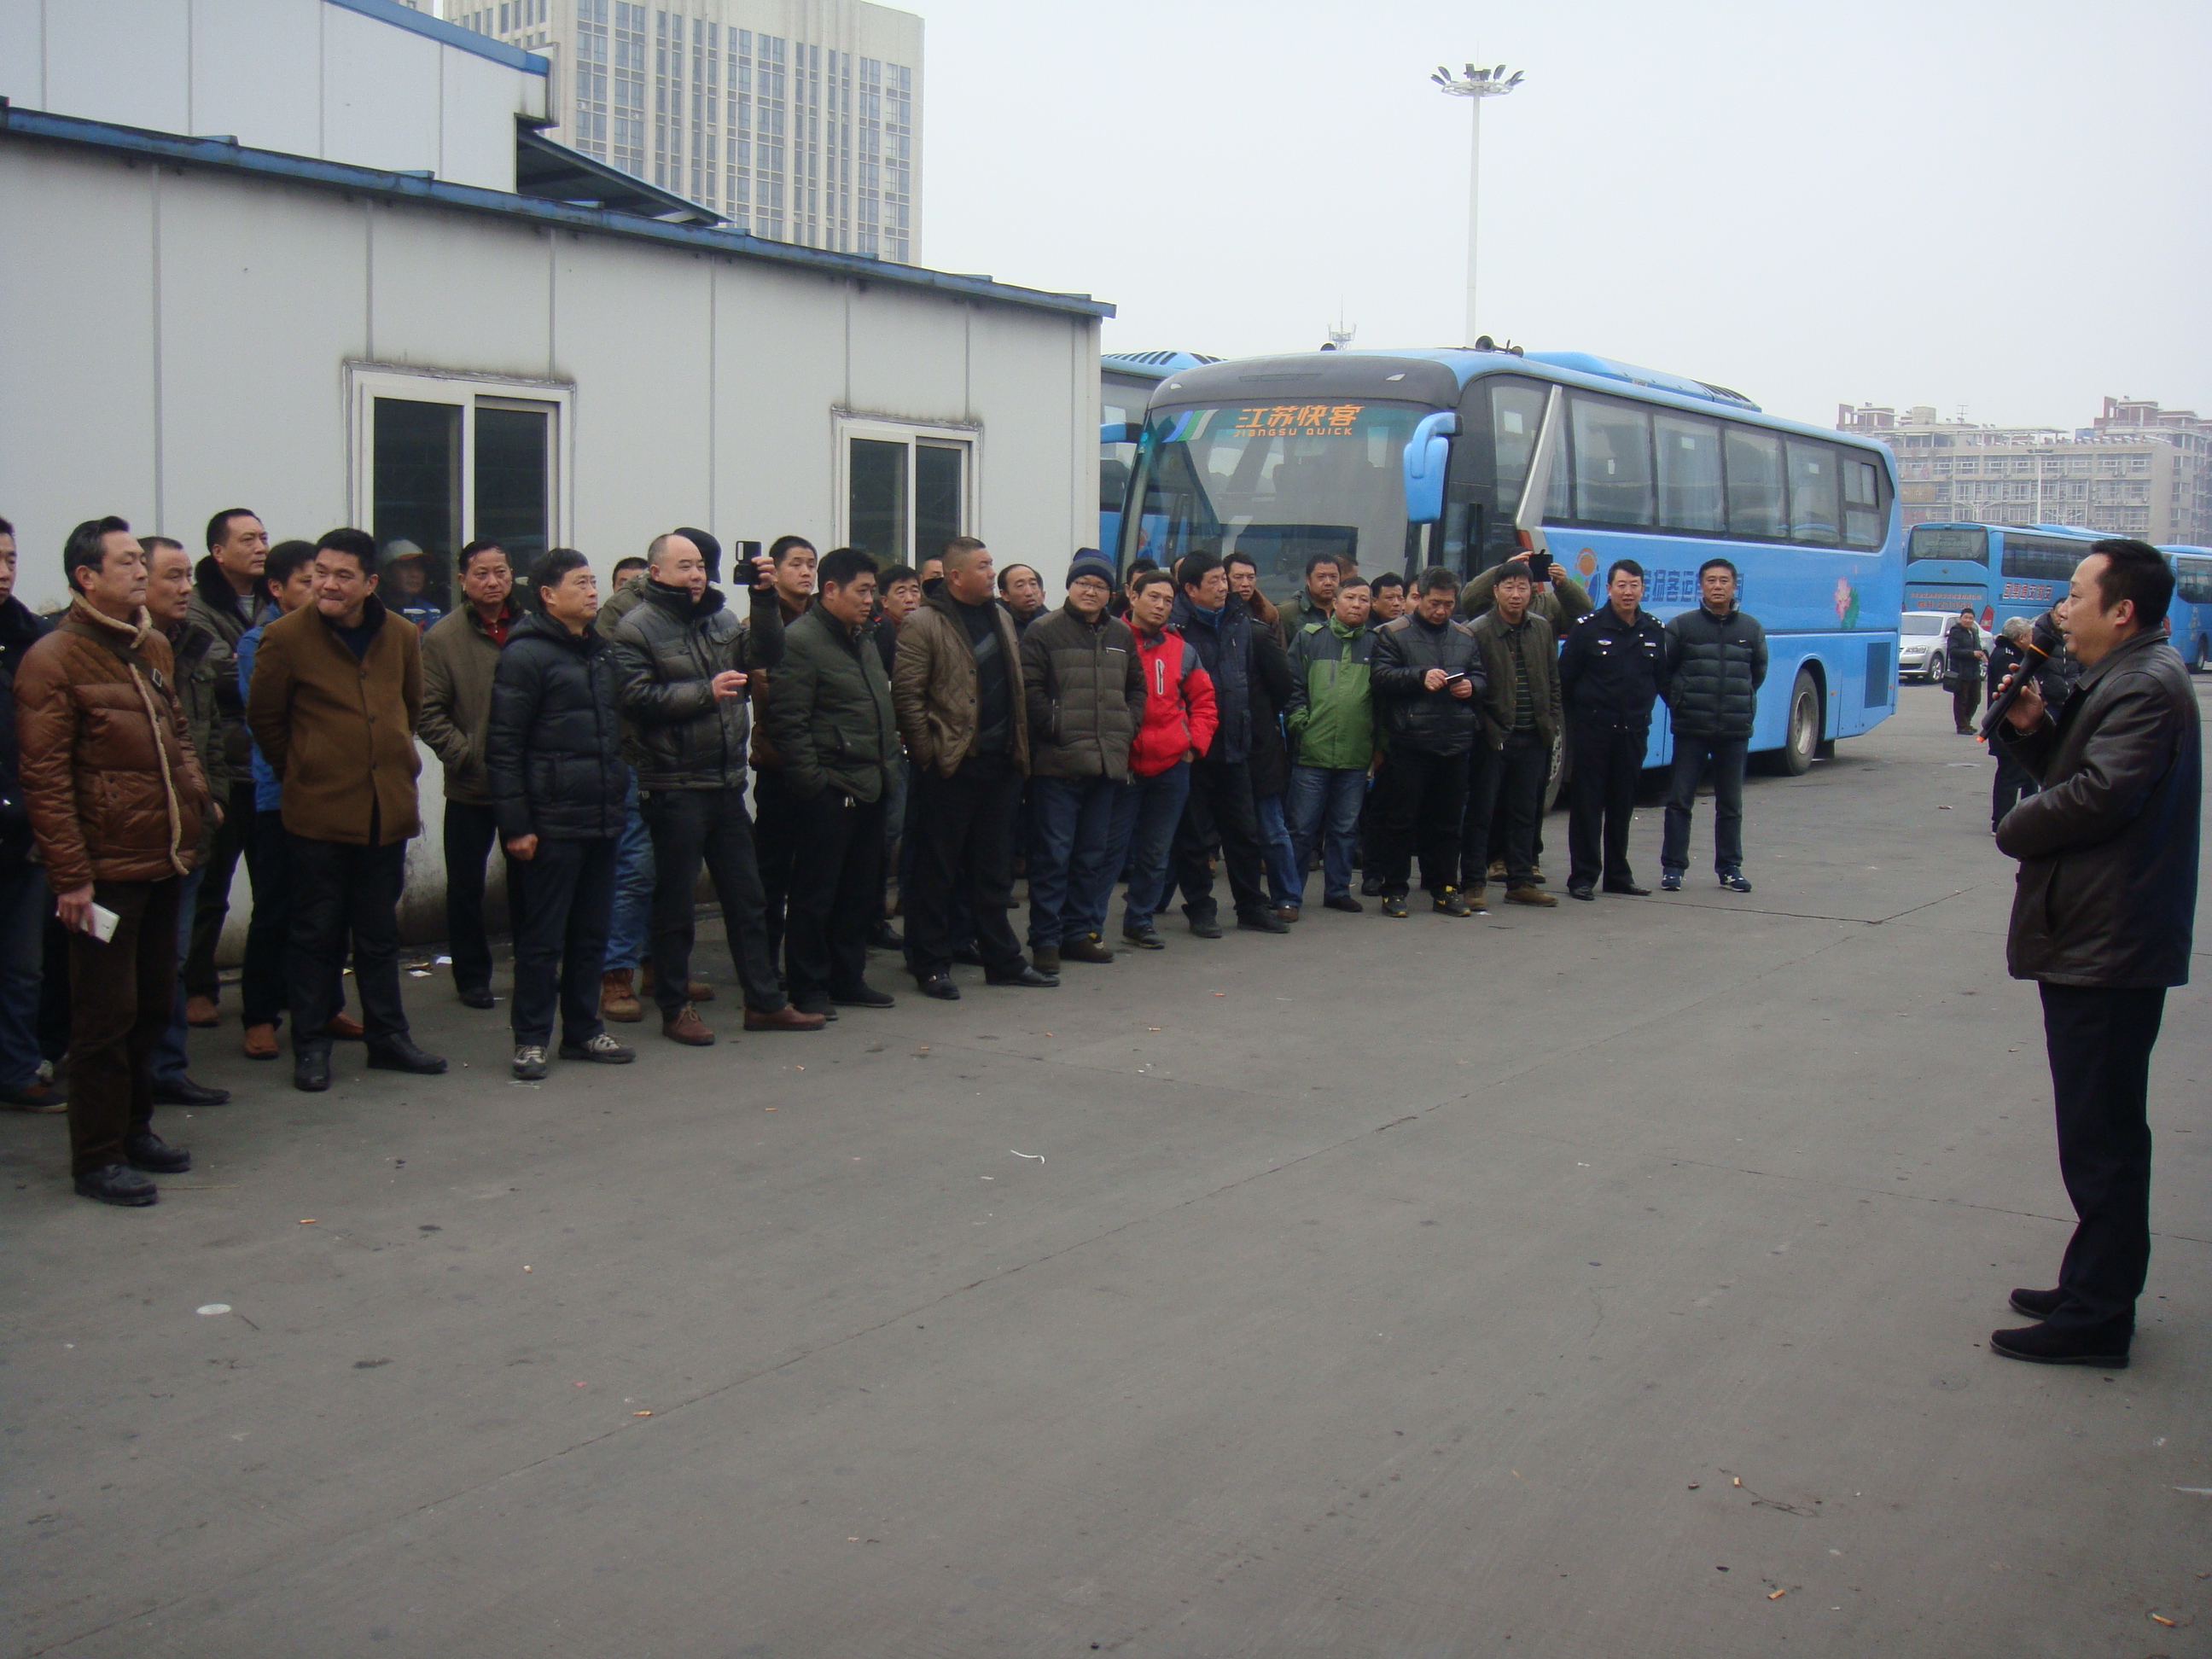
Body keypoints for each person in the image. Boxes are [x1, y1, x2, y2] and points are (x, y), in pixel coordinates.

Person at [1987, 538, 2199, 1368]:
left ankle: (2099, 1317)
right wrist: (2034, 729)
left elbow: (2104, 793)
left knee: (2103, 1137)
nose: (2061, 610)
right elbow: (2081, 768)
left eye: (2076, 595)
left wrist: (2015, 825)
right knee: (2096, 1130)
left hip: (2111, 943)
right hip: (2099, 934)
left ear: (2123, 610)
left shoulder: (2145, 684)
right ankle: (2091, 1286)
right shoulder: (2125, 675)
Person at [16, 517, 214, 1204]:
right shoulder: (53, 658)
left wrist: (196, 797)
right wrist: (71, 877)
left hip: (161, 856)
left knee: (152, 1005)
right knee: (104, 1019)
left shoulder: (151, 644)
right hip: (103, 872)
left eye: (140, 560)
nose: (140, 572)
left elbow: (178, 734)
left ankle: (135, 1130)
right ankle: (96, 1157)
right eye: (126, 562)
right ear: (86, 577)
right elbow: (44, 779)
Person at [246, 527, 446, 1091]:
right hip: (317, 813)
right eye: (321, 573)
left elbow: (409, 706)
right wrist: (305, 767)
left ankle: (388, 1037)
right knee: (315, 934)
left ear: (370, 582)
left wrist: (387, 756)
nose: (328, 585)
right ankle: (311, 1044)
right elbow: (265, 719)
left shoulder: (400, 634)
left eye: (342, 575)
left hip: (385, 809)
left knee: (379, 934)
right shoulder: (285, 637)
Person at [610, 531, 820, 1044]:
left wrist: (764, 599)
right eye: (684, 566)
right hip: (673, 783)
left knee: (749, 899)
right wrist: (705, 693)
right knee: (676, 905)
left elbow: (766, 652)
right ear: (655, 573)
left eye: (701, 566)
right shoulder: (635, 627)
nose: (696, 575)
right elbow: (634, 698)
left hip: (725, 782)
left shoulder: (722, 619)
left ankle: (764, 1003)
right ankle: (675, 1007)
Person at [486, 548, 635, 1079]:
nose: (593, 591)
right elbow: (504, 746)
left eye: (594, 582)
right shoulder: (525, 655)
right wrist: (517, 826)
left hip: (600, 815)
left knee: (592, 933)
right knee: (542, 939)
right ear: (548, 596)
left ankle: (583, 1030)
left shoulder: (599, 652)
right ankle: (530, 1039)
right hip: (550, 823)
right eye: (581, 583)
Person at [891, 535, 1056, 998]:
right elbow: (907, 696)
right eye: (982, 566)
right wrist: (929, 755)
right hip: (951, 766)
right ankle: (930, 962)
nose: (990, 572)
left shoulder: (999, 616)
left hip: (1001, 765)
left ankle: (1002, 959)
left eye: (991, 564)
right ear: (956, 576)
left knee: (993, 871)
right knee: (936, 871)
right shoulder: (923, 623)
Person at [765, 546, 900, 1014]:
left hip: (871, 782)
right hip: (830, 789)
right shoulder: (800, 641)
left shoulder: (861, 637)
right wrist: (814, 784)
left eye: (873, 591)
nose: (870, 600)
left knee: (857, 893)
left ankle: (848, 978)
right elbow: (789, 722)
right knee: (815, 895)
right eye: (862, 591)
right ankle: (808, 987)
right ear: (830, 590)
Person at [235, 539, 350, 1061]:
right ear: (277, 589)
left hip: (334, 795)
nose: (322, 588)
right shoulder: (258, 642)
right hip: (279, 796)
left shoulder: (338, 637)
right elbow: (266, 719)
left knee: (330, 909)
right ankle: (260, 1015)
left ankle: (325, 1005)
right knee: (276, 909)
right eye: (309, 580)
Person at [1020, 548, 1145, 970]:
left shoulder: (1120, 634)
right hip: (1058, 765)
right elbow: (1029, 690)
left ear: (1111, 593)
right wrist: (1056, 727)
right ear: (1069, 586)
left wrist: (1126, 726)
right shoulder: (1044, 630)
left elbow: (1137, 689)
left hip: (1106, 764)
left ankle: (1078, 934)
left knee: (1091, 857)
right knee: (1053, 857)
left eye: (1099, 585)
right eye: (1082, 583)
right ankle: (1045, 939)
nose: (1090, 591)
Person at [142, 537, 234, 1107]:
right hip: (137, 834)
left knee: (171, 960)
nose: (185, 589)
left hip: (190, 827)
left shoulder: (194, 647)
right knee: (131, 964)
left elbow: (210, 734)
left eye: (187, 578)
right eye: (171, 577)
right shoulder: (117, 651)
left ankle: (167, 1067)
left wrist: (215, 799)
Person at [417, 538, 521, 1009]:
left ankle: (534, 967)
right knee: (465, 887)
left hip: (525, 783)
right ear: (462, 581)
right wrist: (464, 755)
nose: (493, 582)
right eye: (481, 573)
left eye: (501, 572)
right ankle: (472, 977)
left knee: (531, 884)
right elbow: (427, 709)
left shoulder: (532, 627)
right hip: (471, 785)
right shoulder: (443, 637)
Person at [1167, 550, 1290, 937]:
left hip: (1236, 743)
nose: (1224, 587)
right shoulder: (1175, 627)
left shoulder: (1242, 622)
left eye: (1224, 579)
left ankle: (1251, 905)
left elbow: (1265, 684)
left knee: (1243, 832)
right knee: (1194, 837)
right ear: (1190, 589)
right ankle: (1200, 908)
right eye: (1214, 581)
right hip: (1192, 749)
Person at [181, 507, 267, 1027]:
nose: (260, 547)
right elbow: (219, 676)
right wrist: (259, 667)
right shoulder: (196, 607)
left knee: (275, 891)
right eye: (247, 539)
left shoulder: (274, 597)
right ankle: (198, 986)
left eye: (263, 537)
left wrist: (252, 665)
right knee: (211, 889)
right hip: (225, 766)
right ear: (218, 552)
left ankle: (268, 991)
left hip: (269, 768)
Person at [1371, 568, 1486, 917]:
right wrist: (1419, 676)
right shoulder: (1393, 633)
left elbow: (1481, 676)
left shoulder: (1464, 636)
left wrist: (1472, 687)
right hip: (1410, 741)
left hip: (1455, 740)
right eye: (1435, 603)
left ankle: (1445, 887)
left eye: (1448, 604)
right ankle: (1394, 889)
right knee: (1401, 820)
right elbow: (1381, 677)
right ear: (1419, 597)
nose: (1441, 611)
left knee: (1448, 823)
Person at [1113, 568, 1217, 948]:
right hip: (1122, 763)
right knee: (1108, 851)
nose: (1160, 606)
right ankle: (1084, 925)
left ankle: (1139, 920)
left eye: (1168, 601)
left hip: (1171, 765)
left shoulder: (1181, 649)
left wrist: (1193, 746)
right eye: (1153, 597)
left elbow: (1205, 701)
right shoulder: (1112, 640)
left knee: (1155, 852)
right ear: (1132, 596)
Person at [1556, 558, 1667, 901]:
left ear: (1643, 589)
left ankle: (1618, 875)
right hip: (1593, 732)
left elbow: (1662, 680)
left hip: (1633, 732)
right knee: (1587, 805)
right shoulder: (1587, 628)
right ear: (1608, 589)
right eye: (1621, 585)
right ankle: (1583, 876)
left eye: (1634, 585)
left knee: (1622, 804)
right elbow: (1564, 681)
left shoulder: (1653, 630)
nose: (1627, 592)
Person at [0, 515, 62, 1112]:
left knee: (23, 963)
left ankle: (18, 1070)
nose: (3, 572)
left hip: (24, 828)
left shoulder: (35, 641)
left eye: (11, 559)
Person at [1659, 558, 1767, 894]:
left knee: (1731, 803)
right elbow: (1664, 672)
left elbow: (1757, 673)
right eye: (1711, 580)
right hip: (1691, 726)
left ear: (1734, 586)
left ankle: (1730, 868)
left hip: (1734, 729)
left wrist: (1740, 702)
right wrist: (1680, 701)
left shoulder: (1750, 629)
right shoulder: (1682, 627)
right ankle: (1673, 868)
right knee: (1680, 800)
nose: (1717, 586)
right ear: (1701, 586)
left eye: (1724, 581)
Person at [1464, 562, 1561, 910]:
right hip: (1493, 736)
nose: (1516, 594)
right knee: (1482, 812)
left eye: (1522, 587)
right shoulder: (1478, 631)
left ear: (1532, 592)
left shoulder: (1541, 628)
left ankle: (1521, 881)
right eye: (1509, 587)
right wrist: (1486, 728)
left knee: (1526, 812)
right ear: (1496, 591)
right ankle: (1473, 883)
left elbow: (1553, 680)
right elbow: (1472, 687)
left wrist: (1550, 721)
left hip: (1533, 735)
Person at [747, 534, 818, 981]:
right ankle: (765, 961)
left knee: (814, 872)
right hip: (778, 761)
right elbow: (766, 692)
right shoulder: (761, 624)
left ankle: (808, 962)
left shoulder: (826, 621)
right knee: (771, 872)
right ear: (774, 570)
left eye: (811, 564)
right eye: (795, 563)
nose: (806, 572)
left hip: (823, 762)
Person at [1283, 574, 1377, 914]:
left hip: (1355, 754)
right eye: (1350, 598)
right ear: (1335, 603)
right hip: (1312, 752)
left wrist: (1377, 746)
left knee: (1344, 829)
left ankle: (1337, 890)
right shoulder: (1310, 639)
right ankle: (1289, 895)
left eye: (1364, 599)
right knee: (1300, 829)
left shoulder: (1376, 645)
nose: (1357, 605)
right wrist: (1300, 724)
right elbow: (1292, 686)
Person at [1986, 614, 2058, 831]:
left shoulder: (2017, 655)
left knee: (2028, 776)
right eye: (2029, 636)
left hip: (2018, 726)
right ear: (2020, 638)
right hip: (2007, 726)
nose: (2032, 640)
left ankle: (2029, 816)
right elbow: (2010, 693)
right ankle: (2001, 821)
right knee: (2009, 776)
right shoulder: (2006, 657)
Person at [1276, 550, 1342, 645]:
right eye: (1321, 577)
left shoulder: (1347, 610)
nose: (1328, 582)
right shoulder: (1288, 612)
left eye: (1333, 577)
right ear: (1308, 579)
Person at [380, 540, 443, 628]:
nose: (415, 574)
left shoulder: (432, 613)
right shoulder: (372, 610)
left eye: (420, 568)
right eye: (406, 567)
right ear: (386, 573)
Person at [1946, 605, 1985, 734]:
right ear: (1961, 618)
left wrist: (1982, 654)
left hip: (1974, 671)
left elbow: (1978, 647)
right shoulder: (1956, 631)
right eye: (1966, 618)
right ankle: (1962, 726)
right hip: (1961, 672)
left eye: (1971, 618)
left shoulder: (1974, 631)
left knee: (1975, 699)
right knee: (1961, 700)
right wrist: (1972, 654)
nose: (1968, 620)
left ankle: (1967, 722)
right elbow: (1953, 651)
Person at [998, 563, 1048, 637]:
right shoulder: (994, 622)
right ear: (1005, 595)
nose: (1029, 592)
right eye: (1020, 586)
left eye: (1033, 584)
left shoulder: (1047, 621)